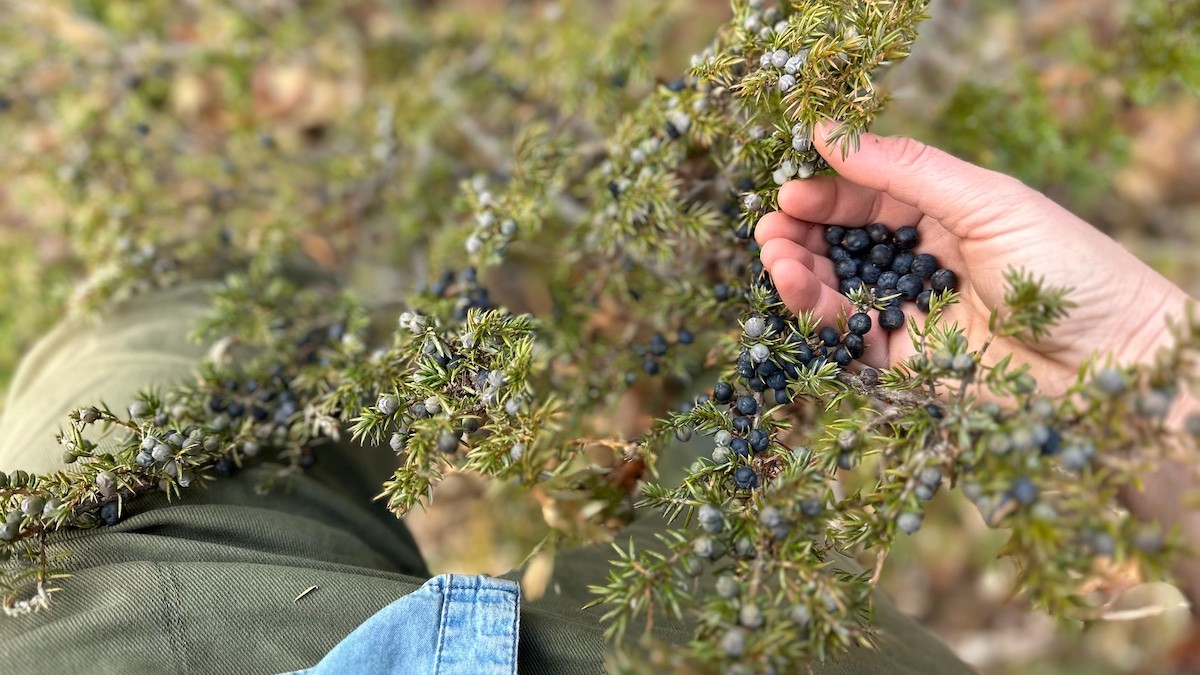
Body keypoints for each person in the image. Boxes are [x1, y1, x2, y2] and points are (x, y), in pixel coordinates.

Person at [0, 123, 1188, 675]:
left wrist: (1140, 378)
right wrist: (1141, 378)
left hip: (57, 623)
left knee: (172, 304)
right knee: (723, 533)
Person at [755, 122, 1200, 612]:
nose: (873, 249)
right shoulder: (888, 274)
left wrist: (1137, 337)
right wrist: (1141, 341)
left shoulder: (908, 274)